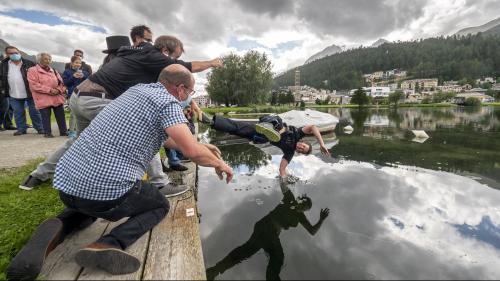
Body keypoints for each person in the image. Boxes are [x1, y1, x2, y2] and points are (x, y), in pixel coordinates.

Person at [6, 64, 233, 280]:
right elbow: (190, 151)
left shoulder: (136, 91)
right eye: (190, 91)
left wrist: (204, 147)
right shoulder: (167, 102)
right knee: (159, 204)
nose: (189, 97)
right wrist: (219, 164)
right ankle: (110, 244)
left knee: (91, 202)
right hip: (106, 191)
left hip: (67, 185)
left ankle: (60, 225)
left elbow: (171, 140)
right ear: (180, 88)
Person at [19, 33, 223, 193]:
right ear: (165, 51)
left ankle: (37, 175)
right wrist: (212, 63)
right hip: (98, 99)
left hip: (80, 96)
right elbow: (188, 69)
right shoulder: (153, 55)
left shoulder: (133, 54)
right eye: (175, 57)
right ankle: (159, 183)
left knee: (78, 141)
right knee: (145, 131)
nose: (175, 61)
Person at [206, 180, 329, 280]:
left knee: (254, 252)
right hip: (266, 228)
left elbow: (312, 231)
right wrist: (286, 178)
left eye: (304, 208)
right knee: (263, 254)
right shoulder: (289, 199)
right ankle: (214, 271)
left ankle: (214, 271)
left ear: (304, 210)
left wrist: (321, 219)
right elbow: (282, 183)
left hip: (270, 234)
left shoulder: (300, 216)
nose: (301, 207)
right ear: (299, 199)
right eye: (303, 203)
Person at [200, 113, 331, 178]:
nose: (301, 148)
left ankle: (210, 122)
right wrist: (321, 144)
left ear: (300, 152)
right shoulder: (299, 133)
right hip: (269, 123)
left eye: (302, 150)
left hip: (260, 136)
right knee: (278, 121)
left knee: (236, 129)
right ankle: (273, 129)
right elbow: (313, 127)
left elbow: (282, 169)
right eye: (303, 146)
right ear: (303, 142)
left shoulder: (290, 152)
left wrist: (284, 182)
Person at [0, 46, 44, 136]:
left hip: (30, 92)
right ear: (7, 55)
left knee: (34, 111)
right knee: (18, 112)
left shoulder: (29, 63)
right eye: (11, 53)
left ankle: (40, 128)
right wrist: (3, 90)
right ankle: (21, 129)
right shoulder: (3, 65)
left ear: (19, 52)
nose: (14, 55)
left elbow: (39, 76)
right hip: (13, 93)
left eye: (16, 52)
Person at [27, 53, 68, 138]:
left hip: (56, 96)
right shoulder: (32, 70)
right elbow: (34, 85)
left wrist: (58, 90)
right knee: (45, 116)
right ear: (39, 60)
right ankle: (47, 133)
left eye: (49, 59)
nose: (48, 61)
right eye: (46, 59)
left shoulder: (54, 70)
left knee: (60, 115)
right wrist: (49, 90)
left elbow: (61, 83)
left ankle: (63, 131)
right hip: (43, 98)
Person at [63, 55, 90, 138]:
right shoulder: (67, 72)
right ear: (72, 63)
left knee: (83, 112)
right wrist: (73, 77)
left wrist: (84, 77)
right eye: (76, 62)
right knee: (73, 113)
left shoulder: (85, 72)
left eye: (80, 63)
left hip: (83, 94)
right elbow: (65, 83)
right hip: (72, 95)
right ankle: (71, 131)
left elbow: (89, 81)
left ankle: (81, 130)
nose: (78, 64)